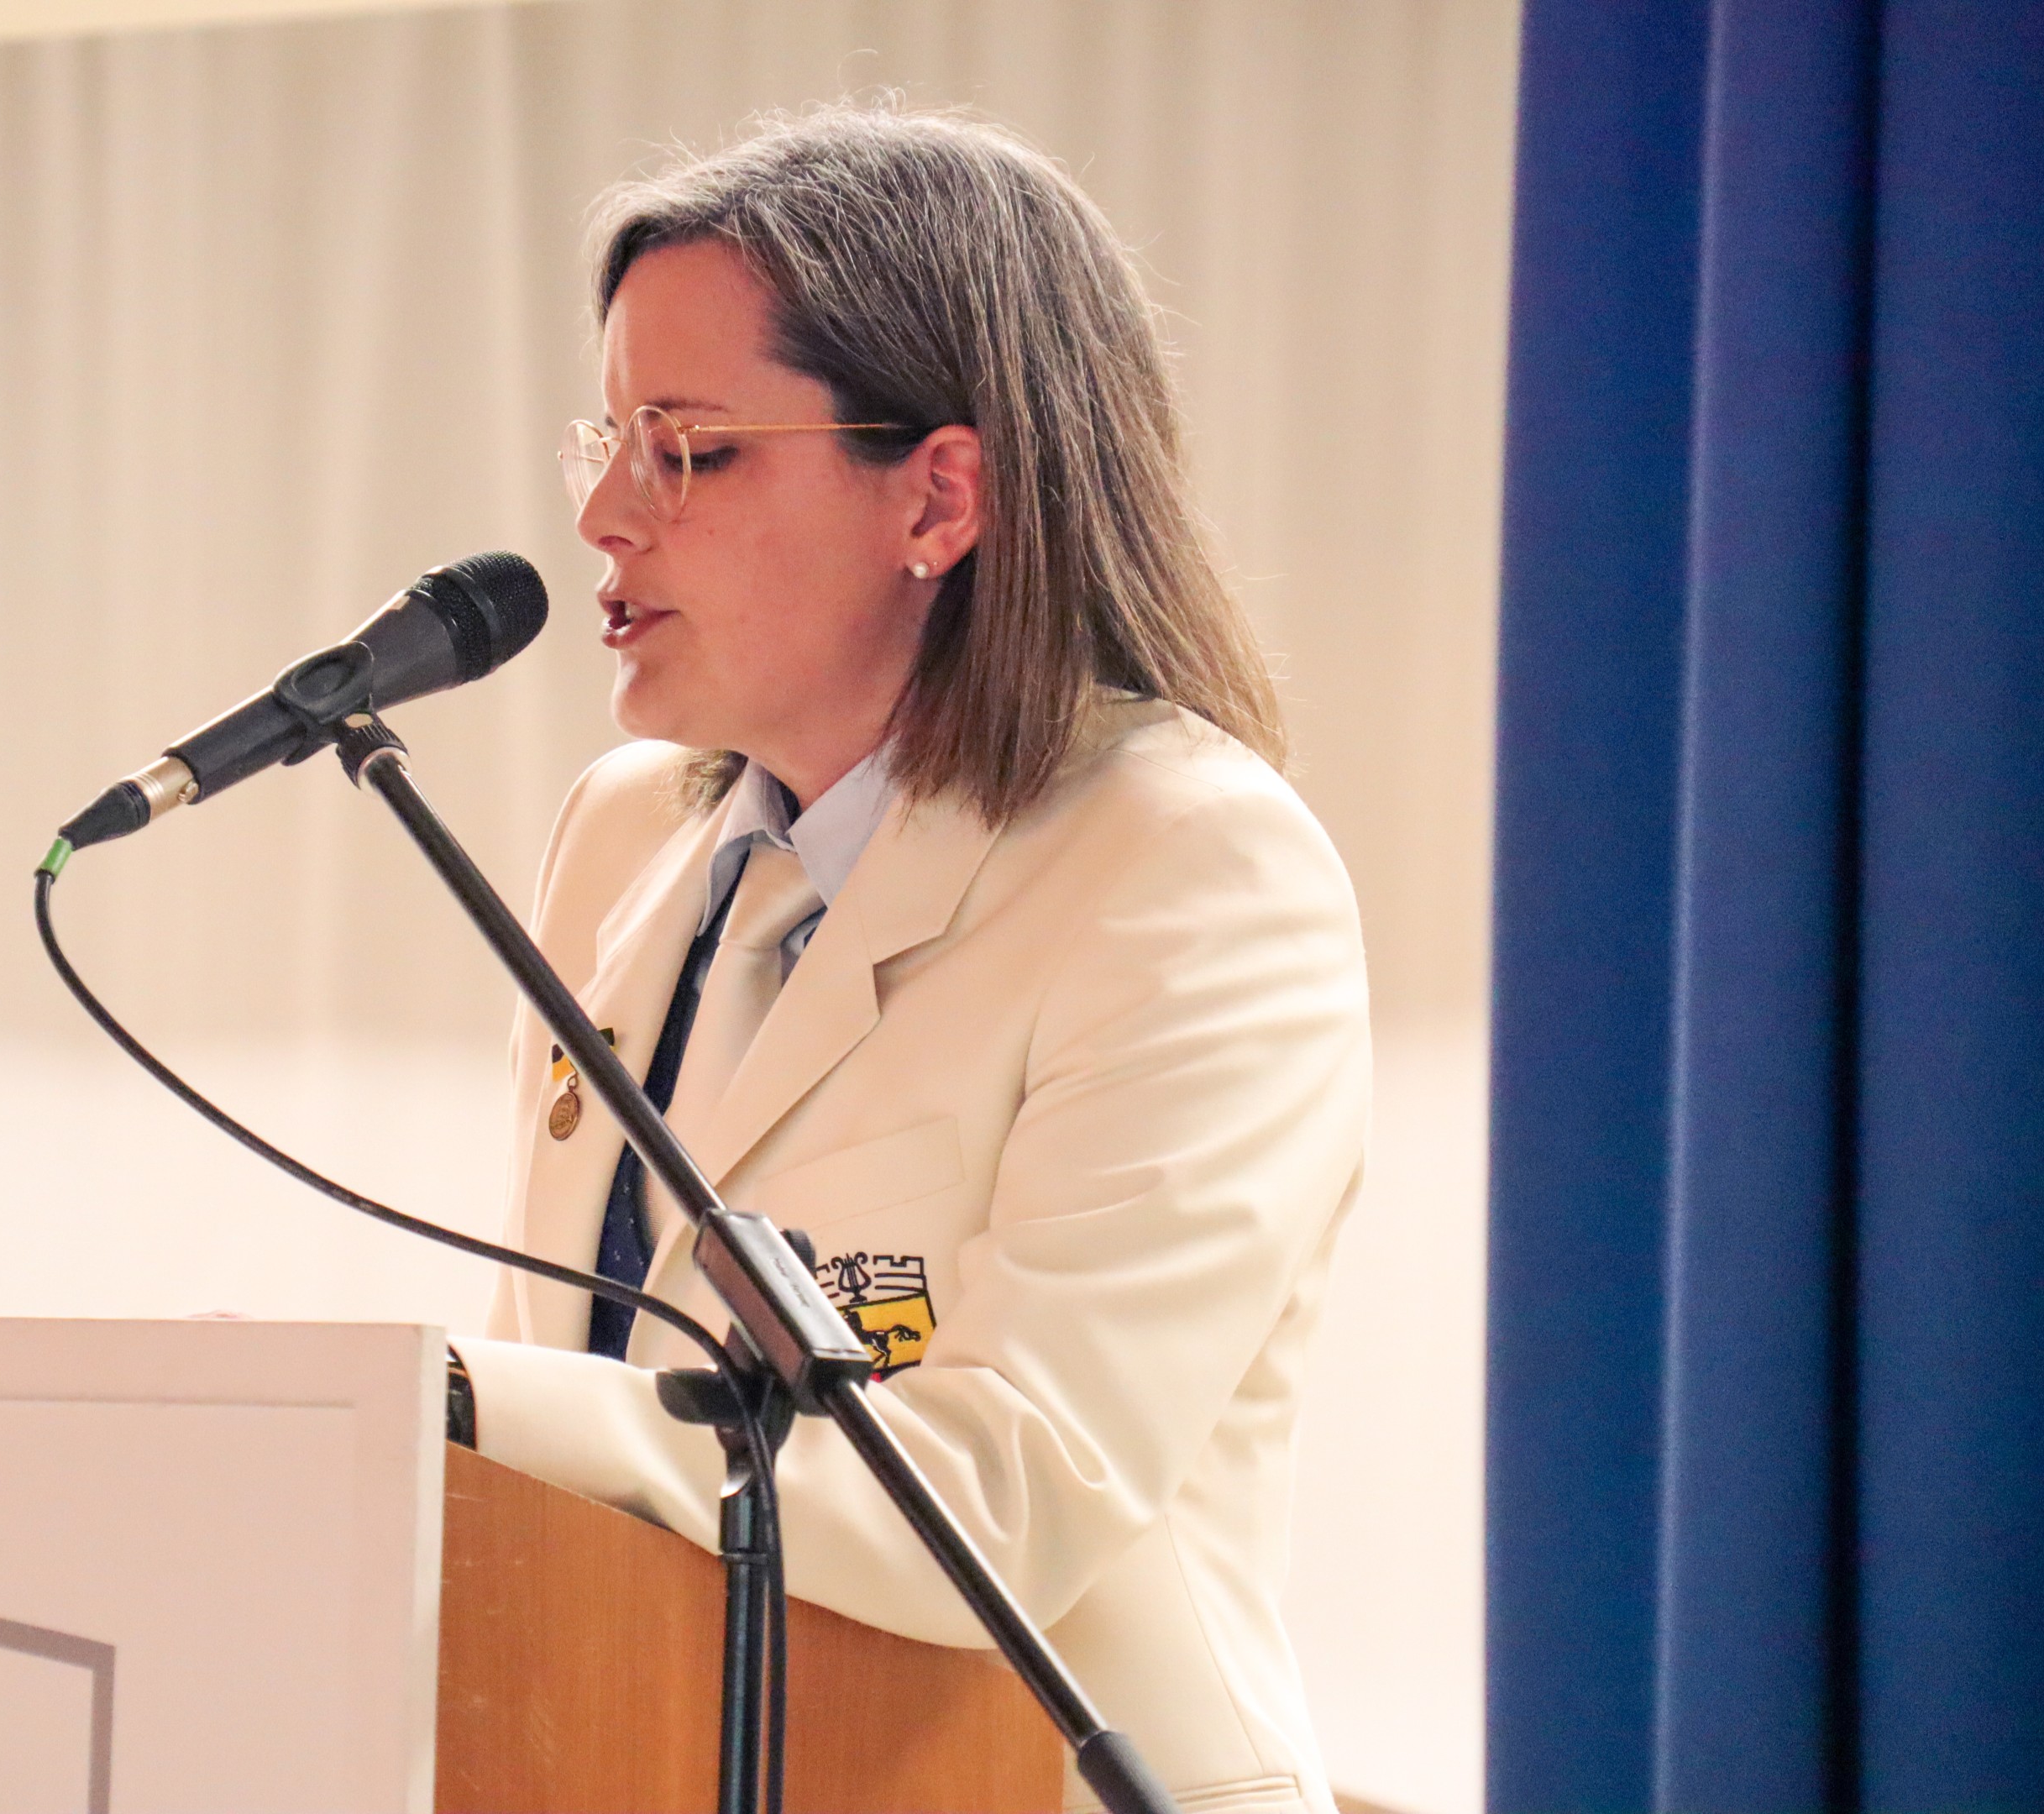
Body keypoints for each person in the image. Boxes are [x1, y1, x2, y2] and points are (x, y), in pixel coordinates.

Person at [452, 106, 1369, 1814]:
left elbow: (1005, 1495)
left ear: (939, 494)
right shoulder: (620, 836)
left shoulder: (1187, 866)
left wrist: (457, 1405)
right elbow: (567, 1375)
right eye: (609, 440)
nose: (604, 518)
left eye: (688, 450)